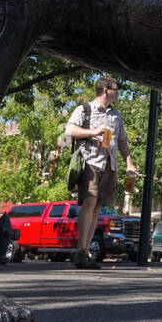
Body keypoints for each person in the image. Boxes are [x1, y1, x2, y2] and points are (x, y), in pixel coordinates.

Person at [65, 77, 138, 269]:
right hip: (89, 162)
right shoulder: (85, 109)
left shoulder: (116, 116)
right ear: (106, 90)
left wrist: (129, 163)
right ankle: (80, 251)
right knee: (89, 202)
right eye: (116, 88)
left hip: (109, 165)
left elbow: (122, 141)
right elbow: (69, 130)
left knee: (97, 208)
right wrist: (94, 131)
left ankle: (85, 252)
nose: (118, 92)